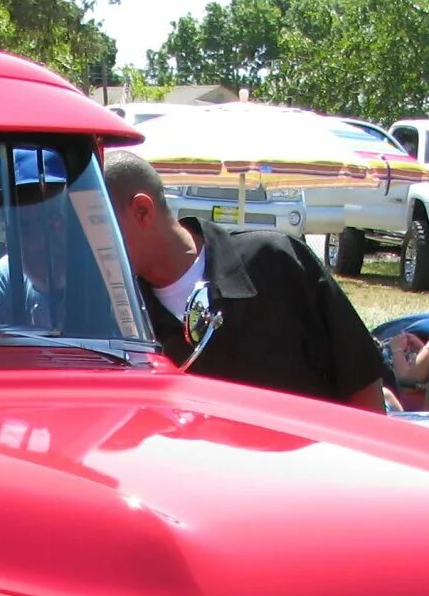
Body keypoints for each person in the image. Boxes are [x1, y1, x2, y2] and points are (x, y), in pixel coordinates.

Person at [102, 150, 384, 409]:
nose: (87, 248)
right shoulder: (116, 318)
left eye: (95, 226)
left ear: (142, 211)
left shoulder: (276, 262)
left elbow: (363, 381)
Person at [0, 149, 67, 327]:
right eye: (22, 227)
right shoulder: (11, 273)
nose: (40, 241)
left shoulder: (107, 280)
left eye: (51, 220)